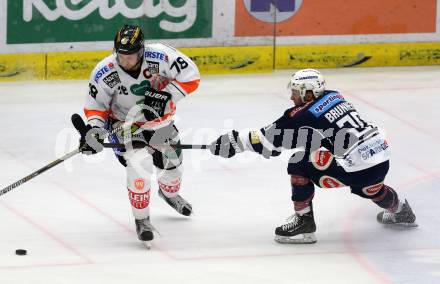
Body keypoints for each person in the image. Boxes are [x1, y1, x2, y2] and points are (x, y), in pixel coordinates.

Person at [209, 69, 417, 244]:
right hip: (379, 159)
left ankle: (304, 224)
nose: (292, 97)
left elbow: (267, 142)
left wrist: (235, 141)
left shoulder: (304, 114)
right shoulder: (334, 95)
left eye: (296, 92)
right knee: (371, 187)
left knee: (299, 162)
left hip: (356, 166)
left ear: (309, 93)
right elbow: (319, 132)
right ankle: (401, 211)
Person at [79, 25, 200, 246]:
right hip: (124, 126)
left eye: (130, 55)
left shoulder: (161, 56)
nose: (124, 60)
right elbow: (96, 106)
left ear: (142, 50)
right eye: (121, 55)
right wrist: (94, 131)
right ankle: (142, 219)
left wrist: (165, 96)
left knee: (173, 168)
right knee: (139, 165)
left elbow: (192, 76)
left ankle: (169, 193)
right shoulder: (104, 71)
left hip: (160, 123)